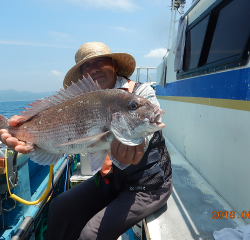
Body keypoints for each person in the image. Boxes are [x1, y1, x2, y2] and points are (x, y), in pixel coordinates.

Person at [0, 42, 172, 240]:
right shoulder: (81, 100)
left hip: (148, 185)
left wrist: (137, 144)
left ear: (115, 66)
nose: (93, 69)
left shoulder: (140, 94)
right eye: (86, 66)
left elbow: (143, 135)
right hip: (110, 182)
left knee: (90, 235)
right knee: (59, 206)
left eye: (100, 61)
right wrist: (30, 136)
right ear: (82, 76)